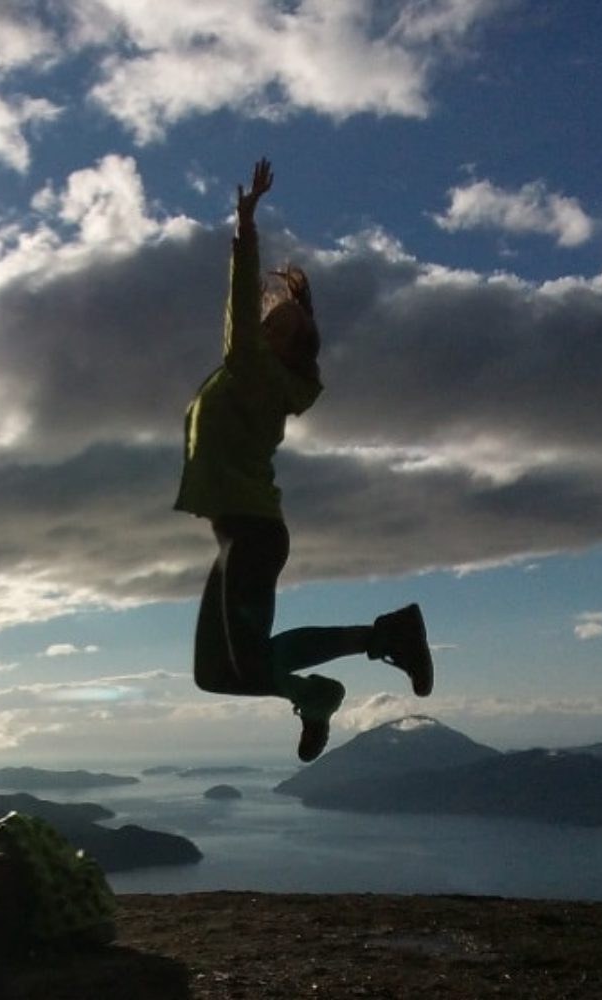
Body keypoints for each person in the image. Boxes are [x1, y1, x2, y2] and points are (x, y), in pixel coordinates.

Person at [175, 159, 432, 762]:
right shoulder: (251, 375)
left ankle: (364, 654)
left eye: (278, 325)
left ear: (286, 352)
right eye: (270, 319)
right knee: (216, 673)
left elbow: (238, 316)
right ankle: (348, 666)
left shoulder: (258, 375)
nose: (265, 325)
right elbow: (244, 324)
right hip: (237, 534)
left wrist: (245, 233)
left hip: (254, 534)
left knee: (248, 662)